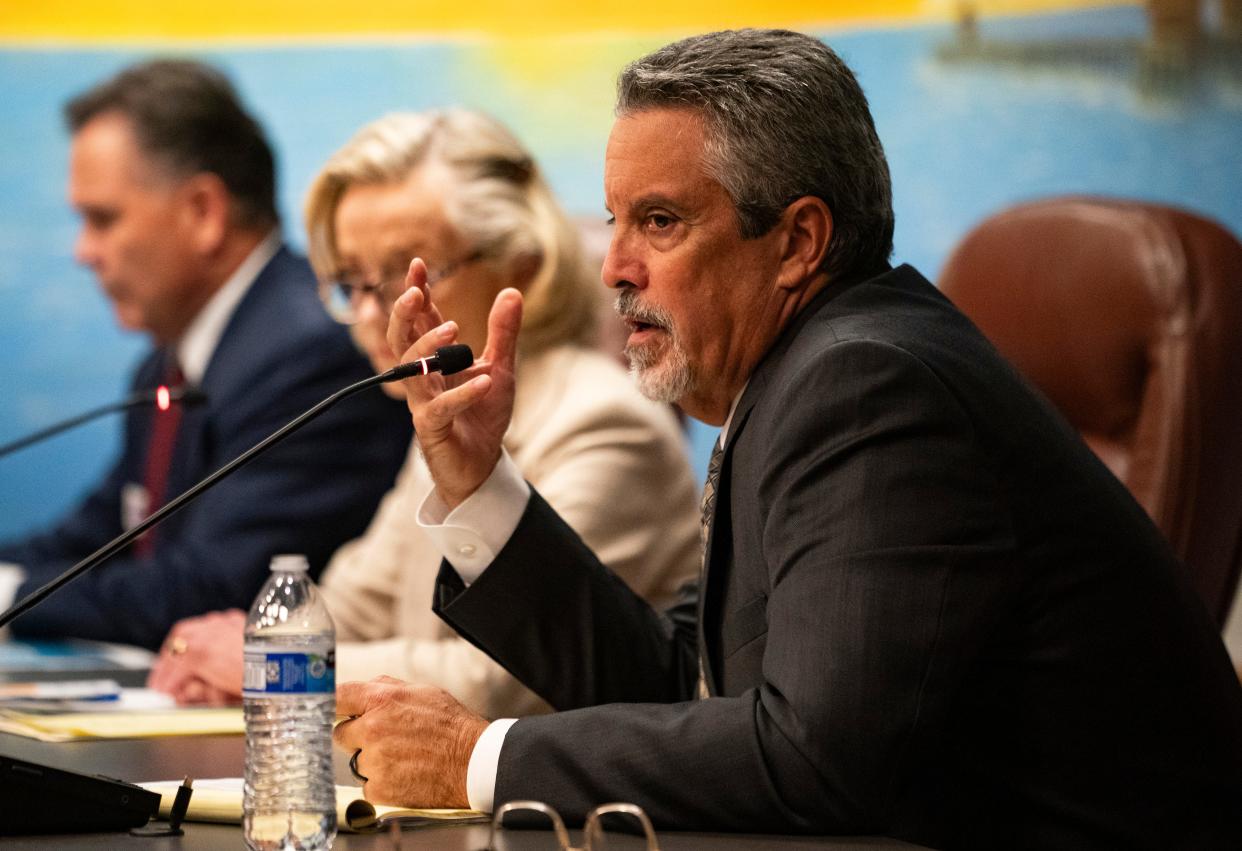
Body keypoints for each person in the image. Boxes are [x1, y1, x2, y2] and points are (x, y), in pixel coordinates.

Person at [331, 29, 1242, 850]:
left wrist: (481, 758)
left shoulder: (867, 387)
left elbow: (814, 759)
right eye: (616, 223)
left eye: (660, 221)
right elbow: (673, 677)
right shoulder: (804, 376)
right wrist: (483, 481)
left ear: (799, 240)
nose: (613, 267)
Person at [146, 109, 701, 716]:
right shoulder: (443, 411)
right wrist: (244, 655)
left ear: (524, 264)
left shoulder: (604, 423)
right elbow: (354, 608)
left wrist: (272, 665)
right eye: (352, 282)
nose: (371, 314)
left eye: (410, 276)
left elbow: (507, 682)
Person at [0, 60, 410, 650]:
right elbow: (93, 536)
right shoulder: (170, 363)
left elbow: (214, 587)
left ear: (203, 212)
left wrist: (11, 596)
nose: (83, 252)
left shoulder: (313, 353)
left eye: (103, 219)